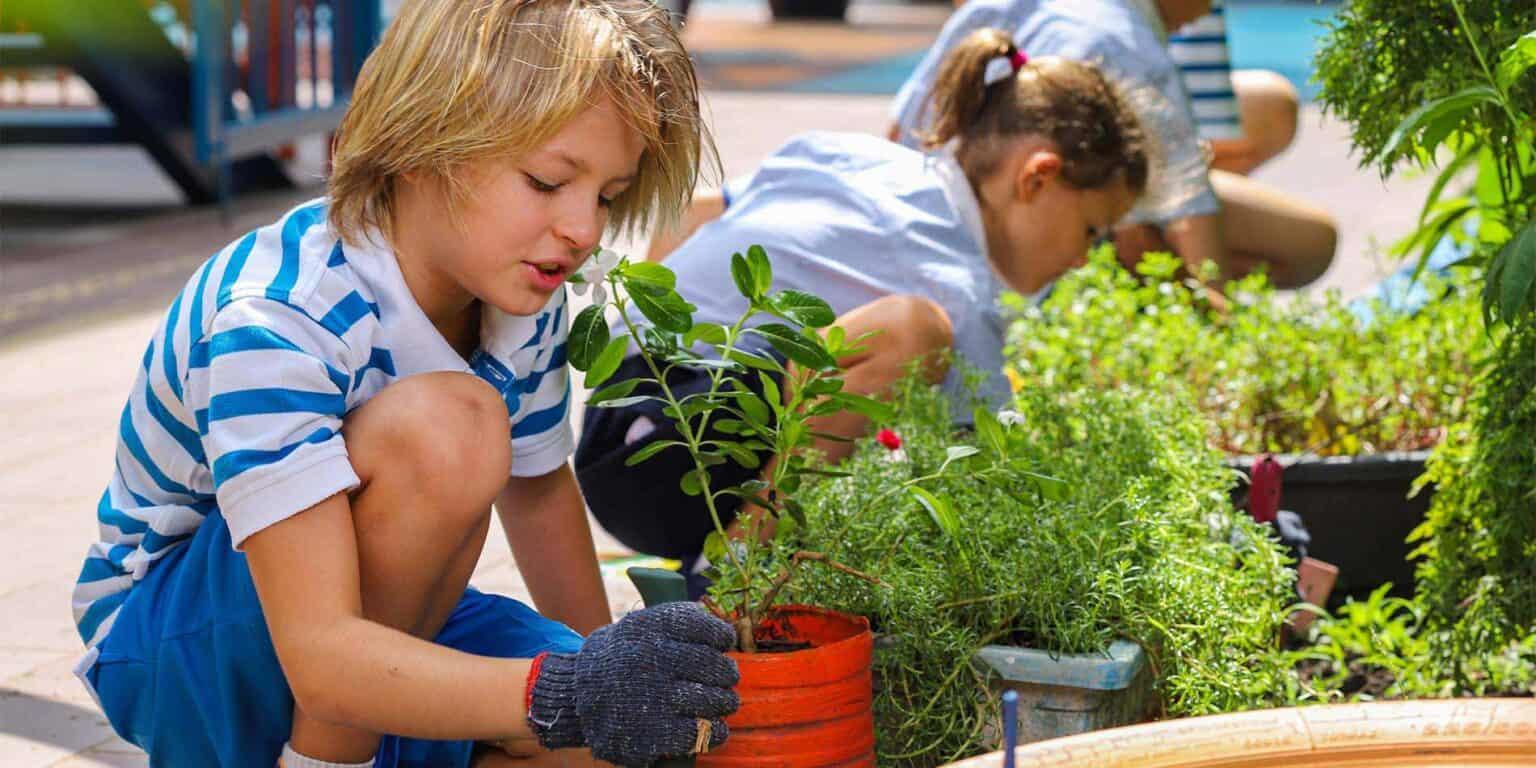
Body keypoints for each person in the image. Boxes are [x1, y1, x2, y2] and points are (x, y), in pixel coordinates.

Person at [69, 2, 738, 766]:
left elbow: (539, 490)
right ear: (422, 145)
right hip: (183, 641)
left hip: (395, 621)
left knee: (644, 746)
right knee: (450, 428)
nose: (583, 229)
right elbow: (320, 654)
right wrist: (569, 692)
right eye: (548, 180)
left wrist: (612, 683)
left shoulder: (520, 285)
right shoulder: (282, 317)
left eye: (607, 196)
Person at [577, 30, 1147, 583]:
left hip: (616, 425)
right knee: (912, 334)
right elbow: (996, 476)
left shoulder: (854, 155)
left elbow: (691, 214)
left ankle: (730, 538)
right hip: (682, 448)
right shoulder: (959, 289)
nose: (1082, 259)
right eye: (1092, 231)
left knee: (854, 384)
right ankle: (734, 572)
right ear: (1038, 179)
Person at [884, 0, 1336, 289]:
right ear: (1037, 179)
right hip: (1003, 243)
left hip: (935, 200)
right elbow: (1187, 245)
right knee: (1314, 243)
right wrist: (1220, 340)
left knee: (1269, 107)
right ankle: (1106, 294)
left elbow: (896, 135)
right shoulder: (1136, 52)